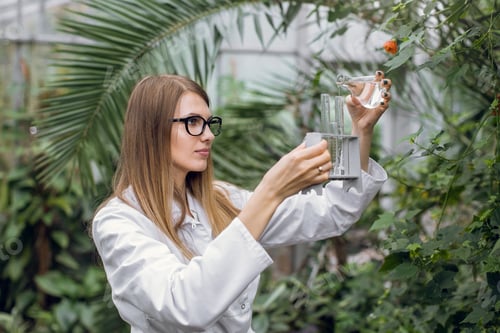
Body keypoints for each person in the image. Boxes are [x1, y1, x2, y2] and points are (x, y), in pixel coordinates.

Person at [91, 71, 392, 333]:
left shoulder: (221, 199)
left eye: (210, 123)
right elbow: (184, 307)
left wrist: (360, 131)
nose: (208, 135)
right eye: (193, 122)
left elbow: (334, 212)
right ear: (152, 130)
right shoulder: (120, 222)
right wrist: (270, 192)